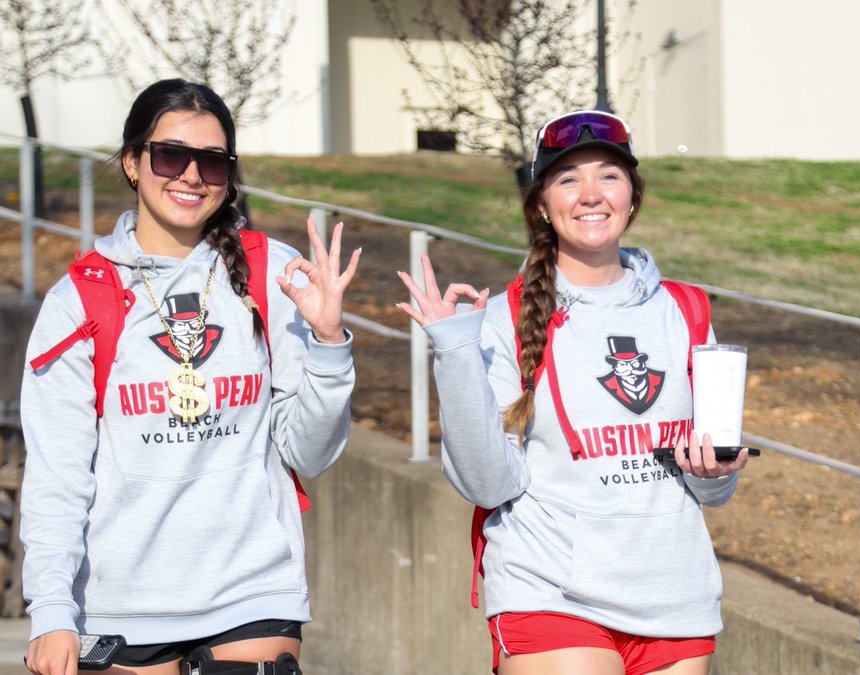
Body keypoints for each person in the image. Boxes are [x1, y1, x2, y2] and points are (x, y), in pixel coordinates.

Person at [20, 79, 360, 675]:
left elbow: (309, 453)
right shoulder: (79, 300)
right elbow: (57, 472)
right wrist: (50, 609)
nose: (192, 176)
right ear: (133, 162)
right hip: (121, 601)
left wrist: (330, 346)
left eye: (213, 161)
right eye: (171, 155)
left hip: (254, 591)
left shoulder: (272, 274)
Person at [397, 110, 750, 675]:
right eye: (568, 178)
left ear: (633, 196)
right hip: (550, 593)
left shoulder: (685, 310)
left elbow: (712, 491)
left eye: (609, 175)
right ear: (542, 203)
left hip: (674, 593)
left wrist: (715, 471)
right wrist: (455, 353)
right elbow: (487, 485)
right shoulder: (503, 318)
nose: (590, 194)